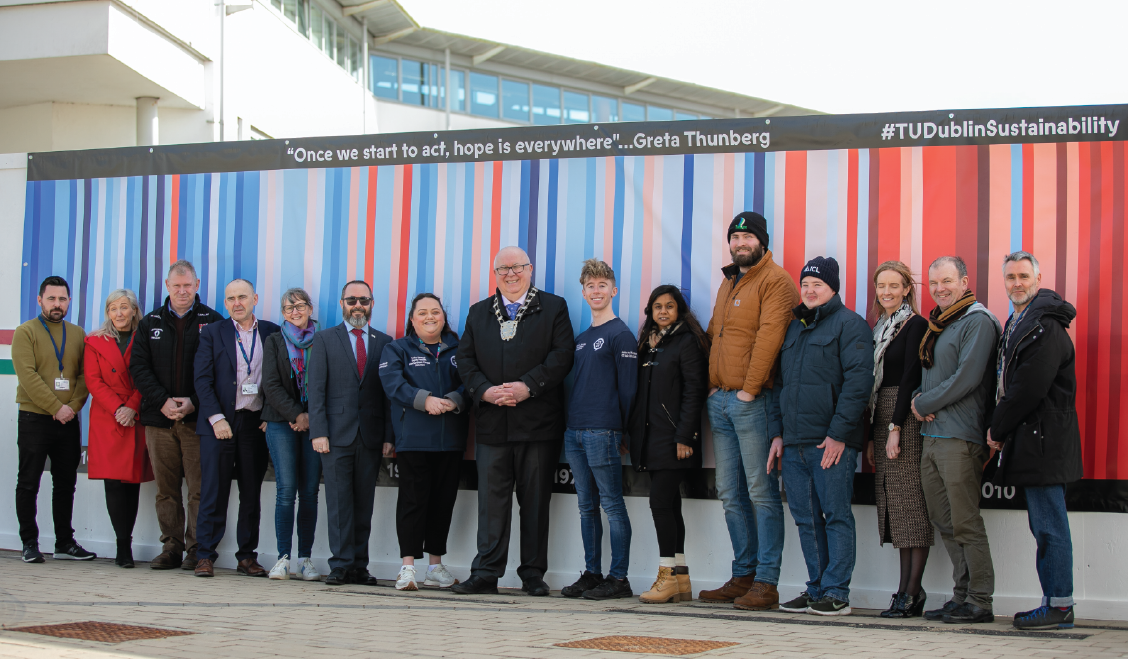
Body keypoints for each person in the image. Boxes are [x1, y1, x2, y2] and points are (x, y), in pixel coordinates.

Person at [453, 246, 575, 596]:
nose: (510, 273)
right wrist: (484, 391)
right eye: (503, 268)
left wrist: (528, 387)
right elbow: (465, 361)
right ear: (495, 274)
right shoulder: (478, 313)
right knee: (491, 504)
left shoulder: (554, 307)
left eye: (517, 267)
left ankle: (533, 574)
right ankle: (486, 573)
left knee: (535, 503)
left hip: (538, 424)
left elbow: (561, 356)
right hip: (492, 424)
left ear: (530, 269)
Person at [767, 256, 874, 616]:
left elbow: (859, 383)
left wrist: (839, 434)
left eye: (818, 285)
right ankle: (816, 589)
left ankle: (836, 592)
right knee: (806, 519)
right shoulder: (794, 327)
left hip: (830, 443)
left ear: (833, 288)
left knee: (836, 515)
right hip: (794, 443)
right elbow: (779, 384)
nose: (810, 291)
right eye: (806, 284)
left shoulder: (850, 325)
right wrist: (777, 434)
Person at [701, 211, 797, 610]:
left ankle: (767, 581)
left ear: (761, 240)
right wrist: (710, 385)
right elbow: (714, 333)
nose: (740, 243)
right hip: (720, 400)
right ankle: (743, 575)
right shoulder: (730, 279)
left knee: (760, 492)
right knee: (729, 491)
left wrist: (748, 391)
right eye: (735, 237)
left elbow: (769, 340)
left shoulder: (777, 281)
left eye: (747, 237)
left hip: (751, 401)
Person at [987, 251, 1082, 630]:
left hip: (1045, 442)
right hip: (1035, 440)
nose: (1016, 283)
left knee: (1049, 526)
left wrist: (997, 429)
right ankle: (1054, 602)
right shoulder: (1020, 321)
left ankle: (1059, 606)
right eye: (1010, 277)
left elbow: (1028, 389)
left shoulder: (1044, 327)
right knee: (1044, 525)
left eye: (1023, 276)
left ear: (1038, 280)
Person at [912, 255, 1001, 624]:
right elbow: (934, 376)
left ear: (964, 281)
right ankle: (961, 595)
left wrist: (922, 402)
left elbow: (967, 378)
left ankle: (980, 600)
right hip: (931, 434)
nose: (940, 289)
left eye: (947, 281)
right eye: (934, 284)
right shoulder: (940, 324)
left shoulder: (977, 320)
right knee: (944, 521)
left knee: (965, 521)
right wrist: (921, 399)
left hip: (959, 436)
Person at [131, 260, 225, 570]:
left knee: (199, 489)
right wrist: (162, 402)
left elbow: (221, 371)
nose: (182, 291)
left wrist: (195, 402)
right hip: (159, 421)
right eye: (176, 286)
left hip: (198, 421)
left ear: (197, 285)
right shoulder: (150, 323)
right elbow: (139, 368)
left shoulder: (213, 321)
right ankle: (171, 547)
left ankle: (196, 549)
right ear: (168, 287)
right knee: (166, 490)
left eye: (188, 285)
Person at [560, 259, 638, 601]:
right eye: (590, 286)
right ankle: (592, 573)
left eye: (602, 285)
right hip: (574, 432)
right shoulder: (581, 339)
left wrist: (623, 432)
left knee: (612, 505)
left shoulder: (621, 334)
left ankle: (618, 578)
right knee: (586, 507)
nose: (596, 291)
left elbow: (629, 390)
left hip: (603, 432)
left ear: (613, 291)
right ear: (583, 292)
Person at [378, 293, 467, 591]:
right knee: (413, 503)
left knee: (443, 503)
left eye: (436, 312)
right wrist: (424, 400)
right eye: (423, 313)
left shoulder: (460, 347)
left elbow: (472, 381)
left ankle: (435, 565)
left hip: (451, 440)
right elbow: (393, 384)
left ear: (443, 317)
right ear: (412, 319)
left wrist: (454, 400)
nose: (430, 317)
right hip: (413, 440)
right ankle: (407, 567)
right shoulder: (396, 348)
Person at [308, 280, 393, 587]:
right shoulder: (325, 339)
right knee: (340, 503)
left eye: (364, 300)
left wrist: (388, 435)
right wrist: (318, 431)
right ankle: (341, 565)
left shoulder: (384, 341)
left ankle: (359, 566)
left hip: (370, 437)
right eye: (352, 300)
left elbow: (387, 394)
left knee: (363, 504)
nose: (358, 305)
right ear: (342, 303)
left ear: (372, 304)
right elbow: (315, 390)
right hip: (334, 436)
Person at [192, 279, 279, 578]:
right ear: (225, 303)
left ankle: (246, 557)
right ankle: (204, 555)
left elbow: (279, 377)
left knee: (250, 493)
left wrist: (271, 413)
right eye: (231, 299)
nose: (237, 303)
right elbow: (202, 380)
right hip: (219, 422)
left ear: (254, 298)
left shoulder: (271, 332)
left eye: (242, 297)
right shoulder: (213, 332)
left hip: (255, 423)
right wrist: (216, 419)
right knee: (212, 491)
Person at [630, 285, 709, 604]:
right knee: (670, 505)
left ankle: (665, 576)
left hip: (675, 440)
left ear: (680, 311)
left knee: (660, 503)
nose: (663, 311)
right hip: (650, 439)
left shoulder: (686, 343)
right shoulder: (647, 346)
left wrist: (685, 437)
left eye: (670, 306)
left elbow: (694, 391)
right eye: (657, 306)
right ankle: (681, 579)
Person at [863, 262, 932, 618]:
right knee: (897, 508)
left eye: (894, 286)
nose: (887, 292)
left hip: (900, 414)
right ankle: (906, 590)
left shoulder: (915, 324)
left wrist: (895, 428)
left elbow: (909, 378)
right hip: (882, 416)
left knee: (911, 508)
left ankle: (911, 593)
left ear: (907, 289)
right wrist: (875, 433)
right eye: (881, 286)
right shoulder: (879, 328)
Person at [13, 276, 94, 563]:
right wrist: (55, 408)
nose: (57, 304)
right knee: (28, 483)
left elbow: (85, 376)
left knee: (65, 483)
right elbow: (28, 377)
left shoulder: (77, 333)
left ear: (69, 301)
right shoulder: (25, 332)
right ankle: (29, 543)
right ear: (40, 299)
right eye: (51, 298)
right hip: (35, 418)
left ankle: (64, 543)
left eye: (62, 299)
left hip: (68, 421)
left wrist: (71, 407)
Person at [84, 289, 154, 568]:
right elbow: (93, 380)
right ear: (107, 313)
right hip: (107, 418)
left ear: (134, 310)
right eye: (113, 309)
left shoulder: (146, 337)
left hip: (135, 415)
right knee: (112, 483)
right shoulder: (93, 341)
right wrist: (117, 409)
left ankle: (127, 541)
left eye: (124, 307)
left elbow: (149, 374)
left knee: (131, 482)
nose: (119, 313)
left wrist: (132, 406)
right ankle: (121, 544)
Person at [261, 288, 322, 581]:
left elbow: (329, 383)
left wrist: (310, 417)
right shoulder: (273, 340)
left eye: (299, 306)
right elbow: (270, 385)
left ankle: (306, 559)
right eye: (288, 308)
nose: (294, 312)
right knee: (286, 492)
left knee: (310, 492)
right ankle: (283, 558)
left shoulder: (324, 340)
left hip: (315, 424)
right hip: (280, 422)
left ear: (310, 308)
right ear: (283, 314)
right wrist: (297, 414)